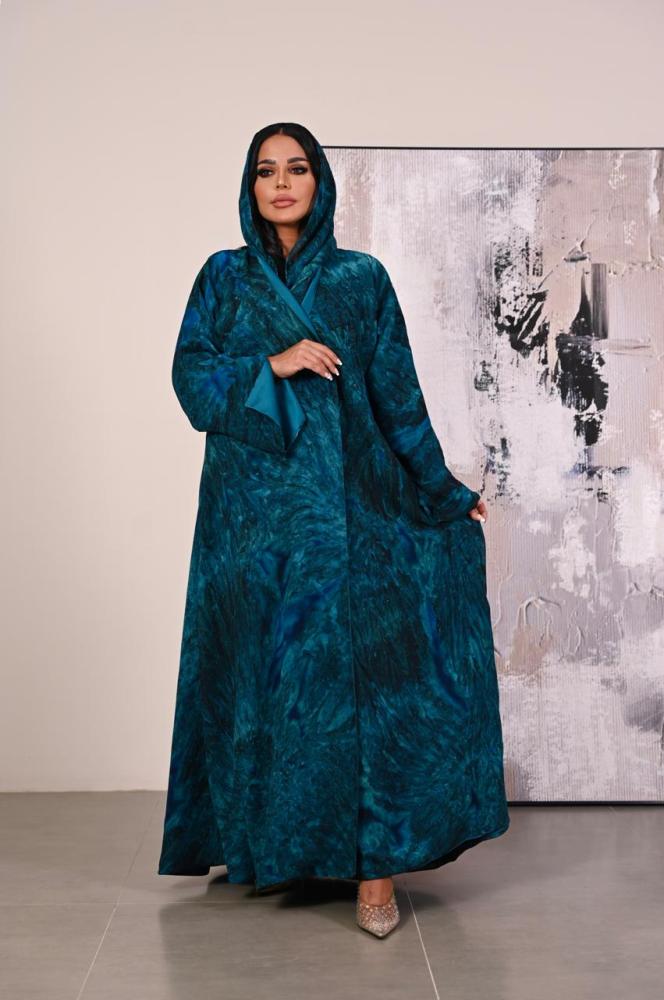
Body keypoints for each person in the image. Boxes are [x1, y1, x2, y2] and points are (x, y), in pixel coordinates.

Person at [158, 121, 510, 938]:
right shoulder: (224, 278)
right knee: (259, 681)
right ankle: (270, 848)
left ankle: (374, 874)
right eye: (265, 171)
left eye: (297, 169)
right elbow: (189, 376)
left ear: (320, 182)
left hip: (345, 517)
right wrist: (271, 364)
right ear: (250, 187)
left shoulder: (360, 280)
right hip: (249, 524)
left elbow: (397, 396)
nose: (281, 184)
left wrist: (442, 492)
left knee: (363, 690)